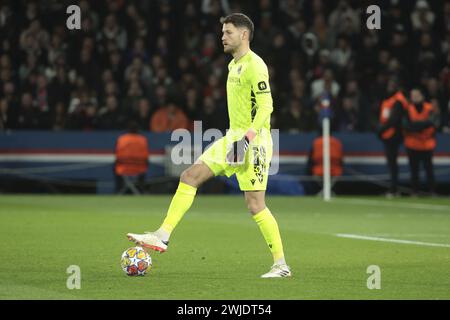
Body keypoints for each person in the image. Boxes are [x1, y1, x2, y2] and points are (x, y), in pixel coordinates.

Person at [127, 13, 291, 278]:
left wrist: (246, 140)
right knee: (190, 176)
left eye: (228, 32)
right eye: (222, 32)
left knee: (255, 205)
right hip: (232, 138)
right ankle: (163, 235)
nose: (222, 37)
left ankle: (281, 265)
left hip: (254, 141)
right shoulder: (232, 66)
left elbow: (266, 106)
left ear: (244, 35)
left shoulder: (255, 65)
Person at [403, 88, 438, 195]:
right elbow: (405, 125)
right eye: (412, 95)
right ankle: (415, 191)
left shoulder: (430, 108)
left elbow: (433, 123)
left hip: (427, 144)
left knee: (429, 169)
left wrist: (415, 126)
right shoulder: (408, 109)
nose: (414, 97)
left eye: (416, 95)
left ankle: (432, 191)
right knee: (414, 170)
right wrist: (423, 125)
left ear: (422, 96)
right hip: (412, 144)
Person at [377, 80, 409, 196]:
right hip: (388, 134)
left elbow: (394, 119)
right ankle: (393, 188)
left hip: (394, 134)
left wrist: (381, 130)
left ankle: (394, 189)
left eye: (392, 85)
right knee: (391, 163)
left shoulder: (398, 101)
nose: (389, 87)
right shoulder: (390, 100)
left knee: (392, 163)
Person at [115, 121, 149, 194]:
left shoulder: (122, 139)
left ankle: (118, 189)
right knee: (145, 166)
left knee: (114, 166)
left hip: (123, 169)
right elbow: (146, 158)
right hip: (139, 169)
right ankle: (141, 189)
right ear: (137, 129)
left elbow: (117, 156)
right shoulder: (143, 140)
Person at [306, 128, 344, 195]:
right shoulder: (337, 142)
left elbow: (310, 160)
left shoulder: (316, 142)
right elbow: (341, 159)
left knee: (309, 171)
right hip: (336, 171)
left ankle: (323, 191)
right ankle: (328, 191)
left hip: (319, 171)